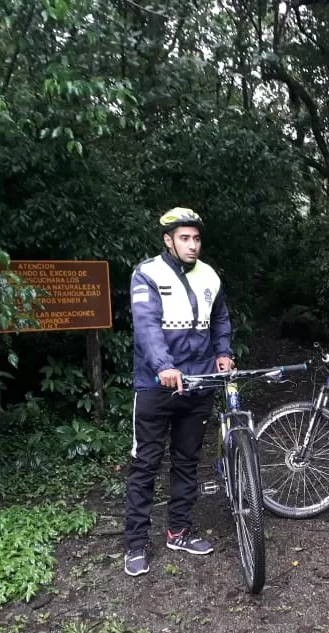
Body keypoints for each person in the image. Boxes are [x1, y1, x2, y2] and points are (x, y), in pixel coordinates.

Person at [124, 207, 235, 577]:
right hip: (157, 385)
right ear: (168, 240)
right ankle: (136, 544)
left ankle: (179, 531)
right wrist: (164, 366)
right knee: (146, 463)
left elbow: (219, 317)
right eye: (184, 238)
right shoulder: (147, 274)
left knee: (187, 460)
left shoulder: (210, 276)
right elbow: (147, 325)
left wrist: (223, 353)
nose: (192, 245)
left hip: (198, 383)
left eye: (196, 238)